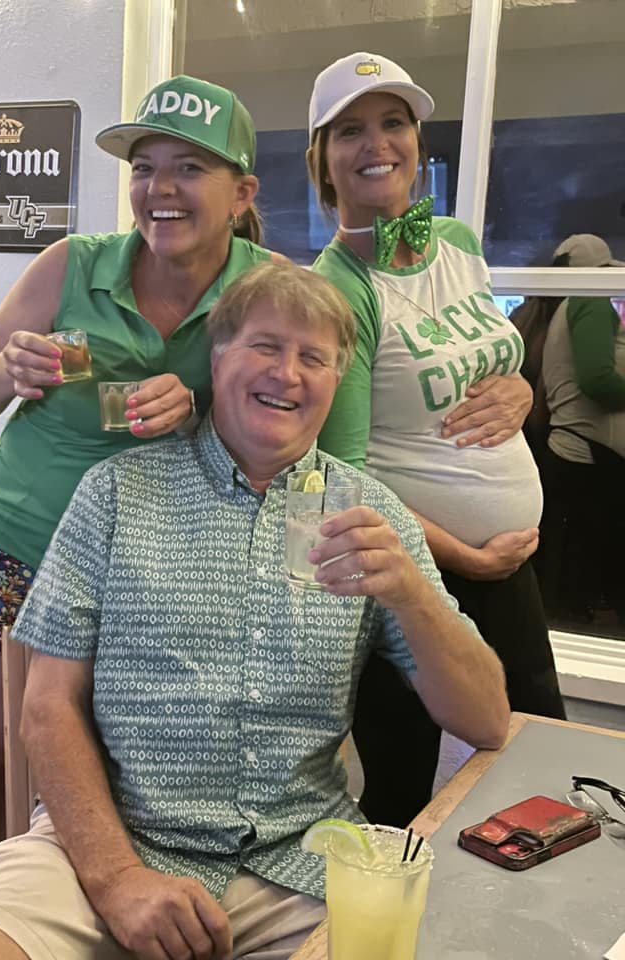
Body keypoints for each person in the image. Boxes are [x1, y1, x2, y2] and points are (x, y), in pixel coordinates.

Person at [0, 262, 510, 960]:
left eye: (313, 357)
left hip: (304, 864)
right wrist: (119, 879)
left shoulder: (372, 516)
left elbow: (487, 717)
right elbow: (46, 707)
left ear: (336, 379)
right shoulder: (114, 492)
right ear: (217, 358)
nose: (287, 373)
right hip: (106, 848)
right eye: (265, 345)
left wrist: (412, 596)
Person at [0, 73, 281, 923]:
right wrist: (7, 367)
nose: (160, 188)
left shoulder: (263, 289)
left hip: (135, 573)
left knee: (101, 787)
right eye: (144, 165)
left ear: (242, 193)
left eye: (188, 167)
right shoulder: (73, 264)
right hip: (6, 542)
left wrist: (202, 414)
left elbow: (287, 426)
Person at [306, 51, 565, 826]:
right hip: (418, 568)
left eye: (392, 122)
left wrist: (522, 388)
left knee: (538, 748)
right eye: (348, 129)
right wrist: (463, 556)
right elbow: (341, 471)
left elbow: (486, 355)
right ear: (321, 158)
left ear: (418, 141)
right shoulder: (339, 287)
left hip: (505, 565)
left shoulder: (454, 239)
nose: (375, 142)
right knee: (400, 782)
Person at [538, 234, 625, 624]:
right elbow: (598, 380)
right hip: (591, 452)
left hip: (577, 448)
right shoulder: (592, 297)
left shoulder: (563, 305)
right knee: (585, 580)